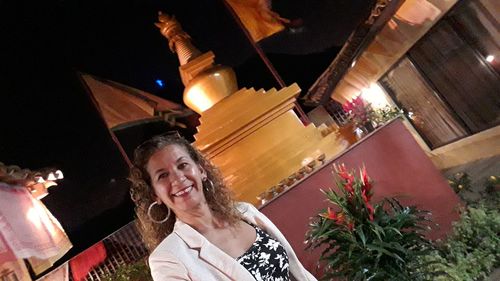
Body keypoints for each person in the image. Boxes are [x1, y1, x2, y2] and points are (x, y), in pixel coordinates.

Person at [129, 132, 317, 281]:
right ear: (155, 194)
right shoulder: (168, 259)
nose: (178, 178)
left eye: (182, 165)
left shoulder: (245, 212)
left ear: (201, 170)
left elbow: (298, 273)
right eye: (163, 176)